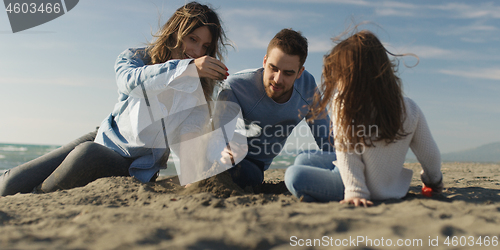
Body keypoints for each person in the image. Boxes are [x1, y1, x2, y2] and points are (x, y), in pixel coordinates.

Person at [0, 2, 230, 196]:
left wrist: (194, 174)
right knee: (9, 183)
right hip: (103, 135)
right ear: (175, 32)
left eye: (205, 47)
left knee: (87, 154)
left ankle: (38, 195)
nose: (197, 51)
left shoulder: (196, 95)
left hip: (131, 163)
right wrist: (186, 68)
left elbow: (189, 139)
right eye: (193, 39)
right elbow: (131, 82)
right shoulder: (137, 58)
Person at [284, 30, 443, 206]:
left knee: (293, 175)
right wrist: (433, 182)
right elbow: (430, 154)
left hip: (357, 185)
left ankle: (324, 195)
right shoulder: (410, 107)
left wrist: (355, 191)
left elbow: (348, 154)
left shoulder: (345, 104)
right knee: (304, 158)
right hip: (389, 184)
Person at [214, 28, 335, 189]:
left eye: (288, 73)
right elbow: (218, 135)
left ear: (299, 73)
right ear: (264, 61)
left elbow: (326, 138)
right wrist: (224, 149)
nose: (278, 79)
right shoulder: (236, 86)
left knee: (250, 174)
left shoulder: (307, 87)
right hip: (223, 156)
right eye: (273, 68)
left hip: (254, 163)